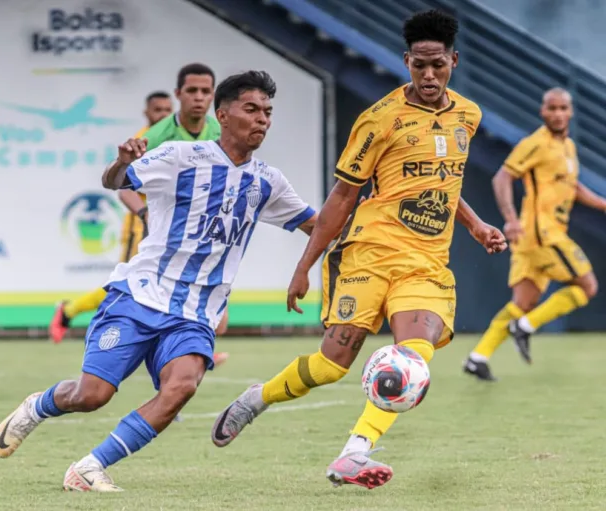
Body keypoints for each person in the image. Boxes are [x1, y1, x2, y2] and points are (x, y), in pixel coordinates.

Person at [211, 10, 507, 490]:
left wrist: (474, 224)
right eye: (419, 66)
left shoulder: (467, 116)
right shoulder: (378, 120)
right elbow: (341, 198)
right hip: (368, 253)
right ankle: (257, 398)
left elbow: (444, 182)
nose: (429, 76)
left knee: (412, 358)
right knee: (330, 366)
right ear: (406, 61)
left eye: (438, 65)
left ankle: (355, 452)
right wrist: (303, 266)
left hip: (426, 264)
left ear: (453, 60)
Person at [0, 70, 318, 492]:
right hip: (141, 296)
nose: (262, 120)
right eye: (252, 109)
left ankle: (89, 468)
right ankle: (38, 406)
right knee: (92, 396)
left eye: (268, 112)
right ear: (224, 114)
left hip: (195, 314)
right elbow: (114, 182)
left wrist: (322, 255)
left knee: (181, 387)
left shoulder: (268, 182)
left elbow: (320, 223)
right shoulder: (183, 158)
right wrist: (122, 163)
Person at [49, 64, 230, 364]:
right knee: (135, 291)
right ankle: (92, 329)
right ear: (179, 95)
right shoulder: (154, 137)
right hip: (149, 228)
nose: (198, 97)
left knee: (214, 317)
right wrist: (147, 216)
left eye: (205, 91)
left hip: (197, 231)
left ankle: (189, 347)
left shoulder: (216, 131)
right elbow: (123, 188)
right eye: (192, 91)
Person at [464, 88, 605, 381]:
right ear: (542, 112)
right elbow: (502, 176)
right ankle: (526, 327)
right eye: (551, 108)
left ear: (570, 112)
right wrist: (510, 219)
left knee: (522, 303)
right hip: (542, 234)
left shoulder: (568, 148)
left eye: (562, 108)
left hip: (532, 239)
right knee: (587, 286)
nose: (557, 113)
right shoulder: (535, 143)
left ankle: (478, 357)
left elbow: (573, 187)